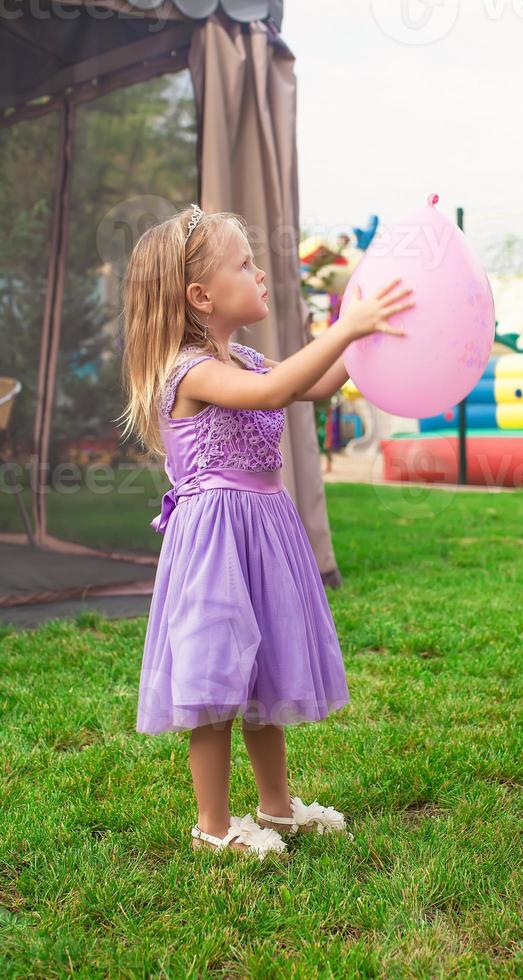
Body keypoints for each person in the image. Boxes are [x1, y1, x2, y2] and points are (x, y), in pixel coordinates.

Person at [117, 204, 414, 860]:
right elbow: (277, 391)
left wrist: (368, 333)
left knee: (264, 677)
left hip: (262, 531)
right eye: (244, 264)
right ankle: (214, 826)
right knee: (215, 681)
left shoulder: (244, 355)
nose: (259, 274)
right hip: (216, 543)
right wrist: (343, 330)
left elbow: (319, 382)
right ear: (201, 296)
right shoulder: (189, 370)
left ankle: (277, 811)